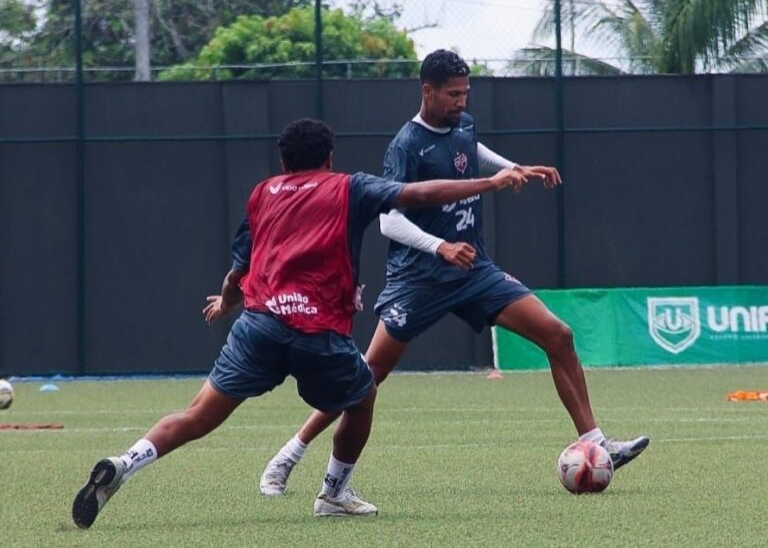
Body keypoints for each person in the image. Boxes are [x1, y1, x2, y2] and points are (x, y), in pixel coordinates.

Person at [71, 117, 529, 528]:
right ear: (329, 158)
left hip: (258, 326)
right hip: (318, 332)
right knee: (363, 395)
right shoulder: (350, 186)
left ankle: (125, 462)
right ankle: (333, 493)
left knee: (197, 415)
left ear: (284, 161)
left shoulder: (263, 194)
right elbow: (418, 193)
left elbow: (237, 272)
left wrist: (229, 302)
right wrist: (489, 183)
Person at [258, 50, 649, 496]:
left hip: (473, 271)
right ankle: (290, 453)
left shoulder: (463, 123)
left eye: (465, 92)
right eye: (452, 94)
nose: (461, 101)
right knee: (366, 376)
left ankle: (597, 444)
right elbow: (388, 220)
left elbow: (468, 151)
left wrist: (512, 168)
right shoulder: (405, 146)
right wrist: (439, 246)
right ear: (427, 90)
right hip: (419, 280)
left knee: (557, 334)